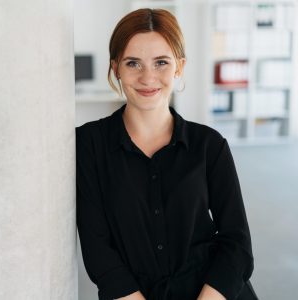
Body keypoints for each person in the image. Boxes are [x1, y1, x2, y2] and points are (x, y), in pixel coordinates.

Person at [76, 8, 257, 300]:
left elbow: (237, 245)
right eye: (133, 63)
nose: (148, 77)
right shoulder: (88, 144)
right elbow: (98, 250)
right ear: (116, 68)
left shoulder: (209, 145)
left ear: (179, 67)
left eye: (161, 62)